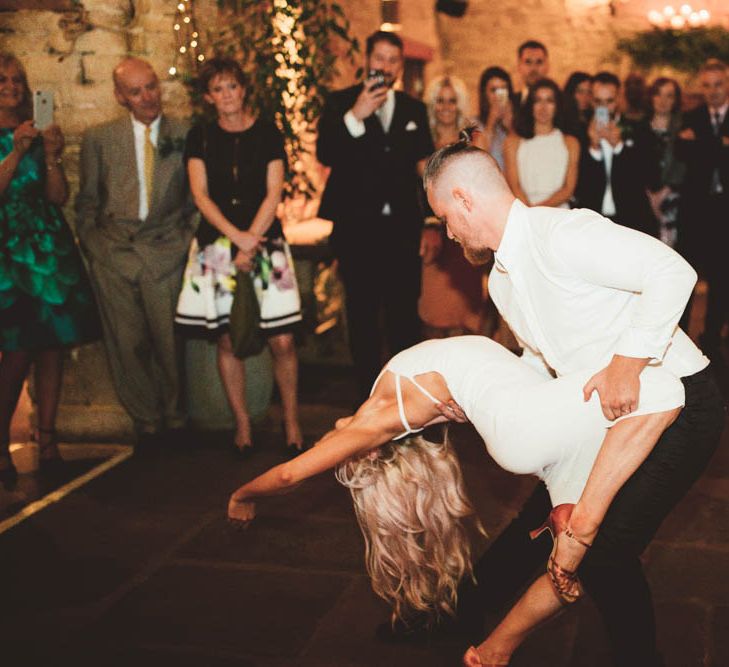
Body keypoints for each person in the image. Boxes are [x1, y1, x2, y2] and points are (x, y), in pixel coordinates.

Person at [423, 142, 724, 666]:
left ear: (464, 199)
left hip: (681, 407)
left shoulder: (562, 233)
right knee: (539, 520)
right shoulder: (500, 279)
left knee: (605, 554)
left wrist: (628, 363)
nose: (449, 232)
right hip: (605, 410)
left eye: (447, 217)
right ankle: (460, 613)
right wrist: (480, 399)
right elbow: (541, 360)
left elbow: (672, 272)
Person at [227, 335, 684, 664]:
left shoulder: (380, 411)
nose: (330, 446)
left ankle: (633, 651)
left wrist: (241, 496)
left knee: (598, 548)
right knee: (569, 533)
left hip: (537, 417)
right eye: (340, 453)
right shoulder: (382, 406)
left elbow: (289, 473)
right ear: (366, 448)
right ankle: (472, 618)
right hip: (538, 403)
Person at [178, 56, 303, 455]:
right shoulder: (200, 136)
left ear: (243, 89)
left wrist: (252, 240)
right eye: (218, 89)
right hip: (218, 246)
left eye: (232, 86)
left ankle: (292, 421)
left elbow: (274, 191)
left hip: (265, 243)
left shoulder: (267, 133)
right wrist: (235, 240)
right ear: (208, 97)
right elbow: (200, 195)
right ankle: (243, 426)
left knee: (282, 340)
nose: (226, 95)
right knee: (229, 339)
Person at [76, 57, 195, 450]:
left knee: (169, 341)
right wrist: (96, 250)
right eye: (136, 91)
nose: (148, 97)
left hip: (165, 253)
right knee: (126, 344)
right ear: (120, 96)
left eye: (152, 86)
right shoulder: (99, 139)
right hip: (114, 254)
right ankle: (146, 421)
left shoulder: (186, 133)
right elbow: (88, 203)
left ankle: (178, 417)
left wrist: (185, 241)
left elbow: (198, 199)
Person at [316, 30, 437, 402]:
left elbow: (425, 171)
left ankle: (407, 401)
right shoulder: (339, 104)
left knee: (404, 318)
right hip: (357, 232)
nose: (385, 66)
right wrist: (357, 116)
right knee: (363, 317)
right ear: (366, 61)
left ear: (400, 67)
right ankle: (367, 402)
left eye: (392, 60)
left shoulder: (413, 109)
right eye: (379, 58)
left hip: (402, 230)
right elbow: (326, 154)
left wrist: (432, 222)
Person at [0, 53, 99, 485]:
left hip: (47, 246)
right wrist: (16, 154)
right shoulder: (16, 140)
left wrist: (53, 156)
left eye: (17, 79)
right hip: (8, 247)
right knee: (18, 347)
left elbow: (58, 196)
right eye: (2, 80)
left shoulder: (38, 132)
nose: (11, 86)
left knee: (53, 345)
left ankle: (48, 439)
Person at [418, 75, 485, 338]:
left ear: (460, 104)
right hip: (433, 235)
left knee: (463, 322)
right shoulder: (422, 140)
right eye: (440, 101)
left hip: (465, 237)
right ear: (432, 105)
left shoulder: (472, 140)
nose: (446, 107)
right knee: (432, 319)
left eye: (452, 101)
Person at [676, 59, 729, 360]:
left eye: (718, 84)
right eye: (706, 85)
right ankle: (679, 339)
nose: (712, 91)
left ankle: (711, 341)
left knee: (723, 277)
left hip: (725, 210)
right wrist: (720, 146)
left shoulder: (695, 128)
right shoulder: (691, 117)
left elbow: (698, 154)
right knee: (686, 276)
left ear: (728, 83)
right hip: (695, 211)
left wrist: (703, 147)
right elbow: (682, 154)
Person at [575, 71, 659, 237]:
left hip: (632, 221)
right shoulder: (579, 132)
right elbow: (580, 186)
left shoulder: (640, 129)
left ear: (620, 98)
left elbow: (651, 176)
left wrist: (619, 147)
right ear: (591, 100)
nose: (604, 108)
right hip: (593, 223)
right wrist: (593, 148)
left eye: (609, 101)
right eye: (598, 101)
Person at [503, 78, 580, 208]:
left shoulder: (570, 143)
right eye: (538, 100)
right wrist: (531, 213)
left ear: (557, 105)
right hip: (525, 211)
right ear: (530, 105)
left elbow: (568, 189)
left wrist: (541, 212)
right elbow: (514, 186)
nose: (543, 107)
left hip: (559, 214)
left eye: (549, 101)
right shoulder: (512, 142)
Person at [644, 77, 685, 249]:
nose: (663, 101)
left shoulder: (684, 128)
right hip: (645, 198)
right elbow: (633, 166)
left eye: (669, 96)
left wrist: (663, 194)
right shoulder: (640, 128)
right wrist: (650, 197)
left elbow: (685, 165)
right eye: (658, 94)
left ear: (675, 100)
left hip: (675, 200)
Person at [472, 67, 514, 169]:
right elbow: (476, 159)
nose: (498, 96)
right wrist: (491, 122)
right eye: (493, 90)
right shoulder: (473, 124)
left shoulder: (517, 124)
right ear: (485, 94)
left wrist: (511, 128)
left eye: (503, 89)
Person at [513, 40, 549, 111]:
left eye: (539, 62)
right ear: (519, 66)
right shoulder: (510, 103)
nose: (533, 68)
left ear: (547, 66)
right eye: (528, 62)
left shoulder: (562, 102)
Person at [562, 71, 592, 146]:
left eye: (589, 92)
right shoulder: (563, 120)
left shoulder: (591, 118)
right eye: (580, 92)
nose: (585, 97)